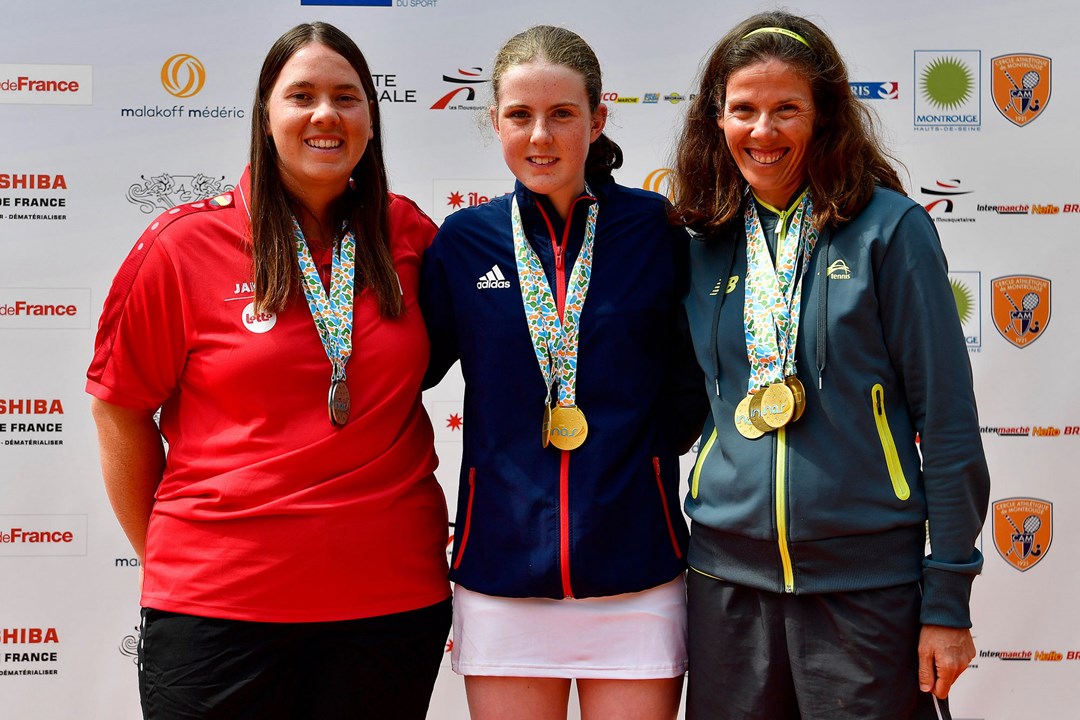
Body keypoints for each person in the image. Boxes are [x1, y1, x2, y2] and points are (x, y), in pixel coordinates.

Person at [86, 22, 450, 720]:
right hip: (217, 607)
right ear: (265, 114)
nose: (325, 115)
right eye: (302, 95)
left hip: (389, 604)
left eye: (347, 97)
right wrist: (180, 556)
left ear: (370, 120)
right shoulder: (181, 247)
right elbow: (119, 409)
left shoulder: (411, 237)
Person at [671, 11, 991, 720]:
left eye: (788, 109)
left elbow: (946, 420)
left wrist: (947, 597)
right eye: (744, 110)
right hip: (727, 587)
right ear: (716, 121)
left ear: (825, 117)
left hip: (866, 590)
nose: (764, 131)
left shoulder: (890, 231)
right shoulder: (703, 243)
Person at [420, 24, 706, 720]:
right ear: (494, 122)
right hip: (501, 573)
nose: (540, 136)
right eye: (520, 115)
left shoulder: (655, 229)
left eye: (562, 114)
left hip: (638, 572)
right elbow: (412, 369)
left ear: (598, 117)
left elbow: (689, 381)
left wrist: (635, 467)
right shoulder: (464, 241)